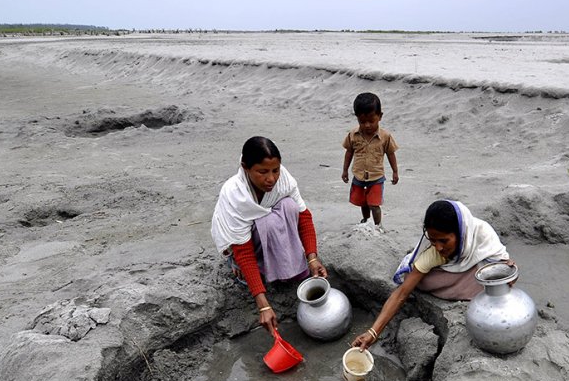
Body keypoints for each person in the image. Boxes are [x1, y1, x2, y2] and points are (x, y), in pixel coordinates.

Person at [350, 200, 511, 351]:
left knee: (491, 277)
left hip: (474, 273)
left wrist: (511, 273)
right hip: (451, 277)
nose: (438, 247)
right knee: (421, 280)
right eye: (433, 240)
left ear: (460, 233)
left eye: (444, 240)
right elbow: (402, 293)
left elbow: (505, 271)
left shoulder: (482, 235)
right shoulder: (432, 251)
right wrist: (373, 333)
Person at [211, 136, 327, 334]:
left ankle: (283, 264)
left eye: (275, 170)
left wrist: (312, 257)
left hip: (264, 231)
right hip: (243, 244)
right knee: (268, 221)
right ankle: (244, 267)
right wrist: (263, 304)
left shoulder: (284, 181)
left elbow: (304, 217)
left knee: (289, 206)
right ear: (245, 167)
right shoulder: (235, 195)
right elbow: (244, 250)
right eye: (262, 172)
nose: (271, 178)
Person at [341, 92, 399, 231]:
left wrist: (395, 172)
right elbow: (349, 152)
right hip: (359, 175)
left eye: (371, 121)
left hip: (376, 176)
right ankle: (366, 222)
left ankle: (378, 225)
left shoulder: (385, 136)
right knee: (363, 203)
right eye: (362, 122)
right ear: (357, 118)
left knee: (374, 204)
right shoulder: (353, 135)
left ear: (380, 116)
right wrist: (344, 170)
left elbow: (391, 154)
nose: (367, 125)